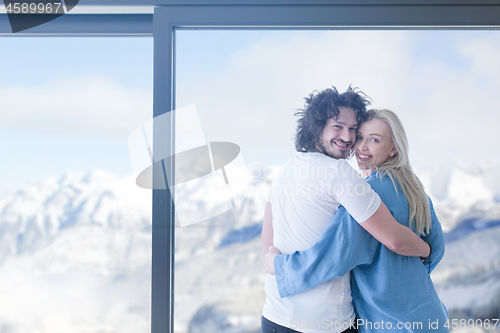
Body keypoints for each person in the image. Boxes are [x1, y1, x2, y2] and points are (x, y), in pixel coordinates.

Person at [261, 88, 431, 333]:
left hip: (275, 317)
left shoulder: (285, 171)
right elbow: (394, 239)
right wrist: (427, 250)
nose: (348, 137)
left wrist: (274, 264)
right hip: (324, 323)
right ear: (317, 127)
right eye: (338, 126)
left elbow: (268, 243)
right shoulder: (339, 173)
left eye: (353, 129)